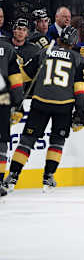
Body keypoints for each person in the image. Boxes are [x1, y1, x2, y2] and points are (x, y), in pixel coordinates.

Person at [3, 26, 84, 193]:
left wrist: (15, 97)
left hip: (40, 103)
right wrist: (80, 113)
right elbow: (81, 90)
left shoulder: (44, 52)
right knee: (57, 142)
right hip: (64, 106)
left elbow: (23, 76)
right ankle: (48, 177)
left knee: (27, 140)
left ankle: (12, 175)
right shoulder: (78, 59)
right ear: (74, 42)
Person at [0, 39, 24, 197]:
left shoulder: (7, 47)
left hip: (2, 100)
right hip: (2, 99)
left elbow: (16, 79)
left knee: (2, 142)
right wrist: (18, 103)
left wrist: (18, 103)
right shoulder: (6, 47)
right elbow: (16, 80)